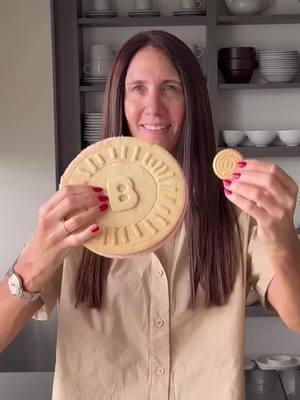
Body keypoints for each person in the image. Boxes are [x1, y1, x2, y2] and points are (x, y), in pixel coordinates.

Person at [1, 30, 300, 400]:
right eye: (137, 88)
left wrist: (281, 232)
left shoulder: (234, 212)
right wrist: (34, 262)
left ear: (192, 101)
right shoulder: (78, 210)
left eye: (171, 88)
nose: (153, 107)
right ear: (118, 101)